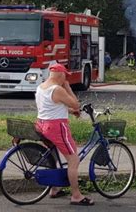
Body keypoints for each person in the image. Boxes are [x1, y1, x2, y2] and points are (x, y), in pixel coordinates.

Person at [35, 63, 94, 206]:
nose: (65, 79)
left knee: (54, 157)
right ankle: (76, 196)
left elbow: (50, 108)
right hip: (57, 127)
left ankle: (55, 188)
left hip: (42, 125)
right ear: (61, 75)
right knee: (73, 160)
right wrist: (67, 87)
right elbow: (76, 104)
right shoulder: (57, 89)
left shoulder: (41, 87)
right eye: (65, 76)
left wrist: (68, 111)